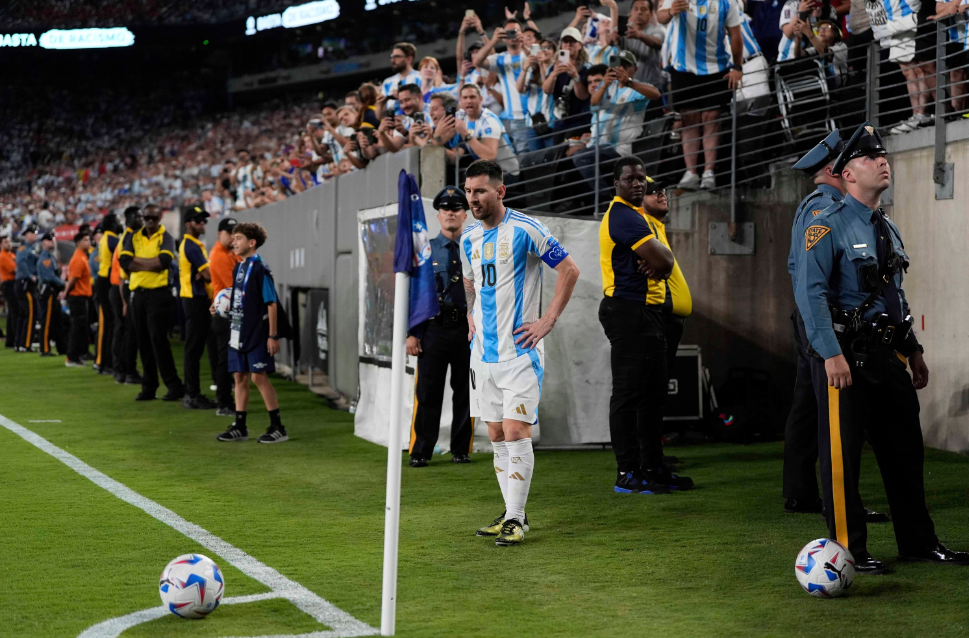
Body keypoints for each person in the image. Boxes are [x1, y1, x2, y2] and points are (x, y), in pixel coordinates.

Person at [796, 122, 969, 572]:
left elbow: (895, 293)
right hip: (844, 357)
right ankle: (847, 551)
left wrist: (913, 349)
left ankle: (919, 542)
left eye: (884, 156)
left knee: (905, 453)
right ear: (846, 173)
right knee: (842, 458)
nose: (882, 162)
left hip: (886, 354)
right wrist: (830, 352)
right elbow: (809, 293)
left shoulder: (886, 227)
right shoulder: (824, 223)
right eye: (871, 158)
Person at [460, 159, 581, 546]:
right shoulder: (468, 238)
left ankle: (514, 518)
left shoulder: (527, 229)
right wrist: (469, 314)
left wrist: (547, 321)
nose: (473, 198)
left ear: (501, 191)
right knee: (495, 433)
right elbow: (470, 281)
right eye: (469, 191)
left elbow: (570, 270)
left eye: (480, 190)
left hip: (520, 352)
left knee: (515, 430)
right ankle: (515, 513)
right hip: (483, 354)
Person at [598, 156, 694, 494]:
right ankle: (627, 472)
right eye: (630, 179)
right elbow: (665, 260)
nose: (638, 183)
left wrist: (659, 265)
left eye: (641, 178)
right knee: (629, 395)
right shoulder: (623, 216)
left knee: (653, 396)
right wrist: (660, 264)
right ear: (616, 183)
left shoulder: (639, 216)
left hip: (648, 314)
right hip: (628, 312)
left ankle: (652, 467)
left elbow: (662, 263)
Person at [407, 187, 475, 468]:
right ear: (438, 215)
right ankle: (422, 449)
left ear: (465, 214)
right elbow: (415, 293)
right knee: (428, 392)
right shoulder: (425, 250)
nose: (451, 213)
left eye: (456, 208)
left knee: (466, 392)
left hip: (466, 330)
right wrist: (412, 332)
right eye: (446, 209)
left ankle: (461, 449)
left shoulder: (475, 246)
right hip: (434, 330)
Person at [658, 0, 744, 190]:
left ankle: (708, 172)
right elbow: (660, 17)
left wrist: (738, 67)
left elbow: (736, 35)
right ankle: (691, 173)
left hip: (717, 66)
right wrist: (672, 11)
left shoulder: (726, 3)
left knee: (711, 117)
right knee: (689, 118)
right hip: (684, 68)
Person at [216, 222, 287, 444]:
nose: (233, 242)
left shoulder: (260, 268)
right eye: (233, 238)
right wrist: (218, 305)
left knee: (258, 376)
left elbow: (271, 303)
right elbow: (237, 295)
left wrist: (273, 335)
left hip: (257, 331)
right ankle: (240, 426)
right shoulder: (239, 266)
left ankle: (278, 427)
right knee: (239, 377)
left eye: (238, 238)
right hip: (238, 330)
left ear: (251, 242)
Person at [572, 50, 660, 203]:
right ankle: (579, 203)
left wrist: (629, 82)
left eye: (625, 66)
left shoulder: (637, 87)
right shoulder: (607, 88)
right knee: (566, 158)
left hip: (619, 148)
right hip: (597, 146)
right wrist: (605, 83)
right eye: (618, 66)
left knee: (580, 158)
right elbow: (593, 102)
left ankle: (605, 200)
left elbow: (656, 94)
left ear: (635, 69)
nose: (621, 70)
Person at [119, 204, 185, 402]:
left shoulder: (166, 237)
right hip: (138, 294)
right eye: (146, 217)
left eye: (153, 218)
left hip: (159, 294)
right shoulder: (133, 236)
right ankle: (149, 386)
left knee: (158, 340)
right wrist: (151, 263)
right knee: (143, 341)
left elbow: (163, 262)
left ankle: (173, 385)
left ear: (160, 218)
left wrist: (137, 262)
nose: (149, 221)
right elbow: (124, 262)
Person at [179, 206, 218, 410]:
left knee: (196, 346)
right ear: (188, 224)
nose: (202, 224)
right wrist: (208, 272)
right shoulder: (191, 245)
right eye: (197, 221)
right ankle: (192, 395)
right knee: (194, 347)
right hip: (195, 300)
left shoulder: (193, 244)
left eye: (203, 221)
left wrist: (205, 272)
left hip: (197, 298)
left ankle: (193, 393)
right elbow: (209, 274)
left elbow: (205, 273)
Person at [472, 19, 531, 154]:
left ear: (522, 33)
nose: (513, 36)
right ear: (504, 38)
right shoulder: (500, 59)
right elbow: (477, 61)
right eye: (508, 33)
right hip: (514, 117)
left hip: (537, 114)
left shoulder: (530, 52)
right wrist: (493, 41)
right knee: (523, 159)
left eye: (516, 31)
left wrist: (525, 45)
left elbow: (539, 60)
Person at [208, 217, 242, 417]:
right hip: (224, 314)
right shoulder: (220, 255)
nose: (231, 236)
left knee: (229, 359)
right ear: (219, 234)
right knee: (224, 359)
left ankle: (228, 400)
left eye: (234, 232)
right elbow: (236, 284)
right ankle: (223, 402)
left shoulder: (230, 253)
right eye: (228, 232)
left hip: (230, 312)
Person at [455, 84, 521, 181]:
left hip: (505, 173)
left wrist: (466, 135)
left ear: (481, 99)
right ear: (460, 101)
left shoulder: (489, 121)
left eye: (472, 97)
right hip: (486, 171)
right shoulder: (462, 116)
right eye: (465, 98)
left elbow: (490, 156)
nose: (468, 101)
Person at [111, 207, 143, 385]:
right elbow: (125, 271)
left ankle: (121, 370)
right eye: (138, 216)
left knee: (123, 331)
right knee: (128, 332)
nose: (142, 219)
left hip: (120, 287)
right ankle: (127, 371)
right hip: (123, 287)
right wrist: (125, 301)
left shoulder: (126, 237)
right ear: (130, 219)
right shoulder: (129, 238)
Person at [617, 0, 668, 89]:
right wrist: (612, 38)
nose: (639, 12)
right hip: (628, 85)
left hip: (651, 85)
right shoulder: (624, 30)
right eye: (635, 9)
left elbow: (657, 43)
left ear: (651, 14)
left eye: (643, 9)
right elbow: (610, 41)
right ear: (631, 12)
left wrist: (639, 35)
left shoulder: (657, 30)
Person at [94, 214, 121, 374]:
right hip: (106, 281)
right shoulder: (112, 240)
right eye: (117, 222)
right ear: (112, 225)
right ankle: (104, 362)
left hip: (103, 280)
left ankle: (105, 362)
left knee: (108, 323)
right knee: (108, 324)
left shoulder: (105, 238)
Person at [62, 232, 93, 367]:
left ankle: (78, 354)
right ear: (78, 242)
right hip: (77, 297)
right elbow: (73, 279)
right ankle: (72, 357)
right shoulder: (78, 258)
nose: (89, 242)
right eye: (86, 240)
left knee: (80, 327)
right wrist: (66, 293)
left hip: (81, 296)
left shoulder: (82, 257)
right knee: (76, 327)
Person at [36, 230, 66, 357]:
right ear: (43, 242)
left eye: (53, 239)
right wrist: (63, 283)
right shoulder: (45, 259)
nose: (52, 241)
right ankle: (45, 349)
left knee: (58, 321)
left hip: (53, 291)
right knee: (47, 321)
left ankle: (62, 347)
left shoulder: (51, 257)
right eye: (49, 239)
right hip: (48, 290)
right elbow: (50, 277)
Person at [14, 224, 39, 352]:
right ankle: (26, 343)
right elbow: (21, 263)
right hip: (25, 283)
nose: (35, 235)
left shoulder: (32, 248)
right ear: (26, 235)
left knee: (24, 315)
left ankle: (19, 343)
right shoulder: (24, 248)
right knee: (30, 314)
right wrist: (31, 276)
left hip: (24, 282)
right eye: (32, 233)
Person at [382, 42, 422, 112]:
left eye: (397, 57)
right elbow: (383, 111)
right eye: (392, 57)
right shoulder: (387, 82)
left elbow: (426, 101)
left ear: (409, 59)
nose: (393, 60)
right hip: (394, 121)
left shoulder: (421, 78)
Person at [0, 234, 18, 349]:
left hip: (13, 284)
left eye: (9, 242)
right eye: (6, 242)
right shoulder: (3, 256)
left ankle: (11, 340)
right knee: (15, 311)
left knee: (12, 312)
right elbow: (15, 269)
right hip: (9, 284)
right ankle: (16, 337)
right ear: (1, 245)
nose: (9, 244)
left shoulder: (12, 254)